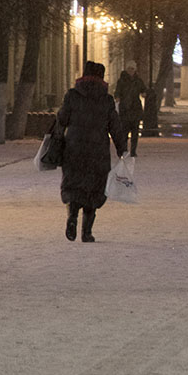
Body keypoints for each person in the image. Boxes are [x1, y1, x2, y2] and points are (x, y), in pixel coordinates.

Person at [56, 61, 126, 243]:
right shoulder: (106, 100)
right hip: (97, 150)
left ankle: (72, 216)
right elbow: (115, 126)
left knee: (74, 183)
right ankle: (87, 232)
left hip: (74, 148)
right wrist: (121, 148)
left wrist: (56, 139)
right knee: (94, 188)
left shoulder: (72, 96)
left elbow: (62, 119)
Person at [114, 61, 146, 158]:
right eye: (129, 69)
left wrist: (144, 93)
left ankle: (133, 151)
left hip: (135, 108)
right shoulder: (122, 80)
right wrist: (117, 97)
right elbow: (117, 91)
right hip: (125, 109)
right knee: (124, 131)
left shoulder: (138, 80)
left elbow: (143, 89)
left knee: (135, 132)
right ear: (126, 69)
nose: (131, 71)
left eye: (132, 69)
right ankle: (124, 150)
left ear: (135, 69)